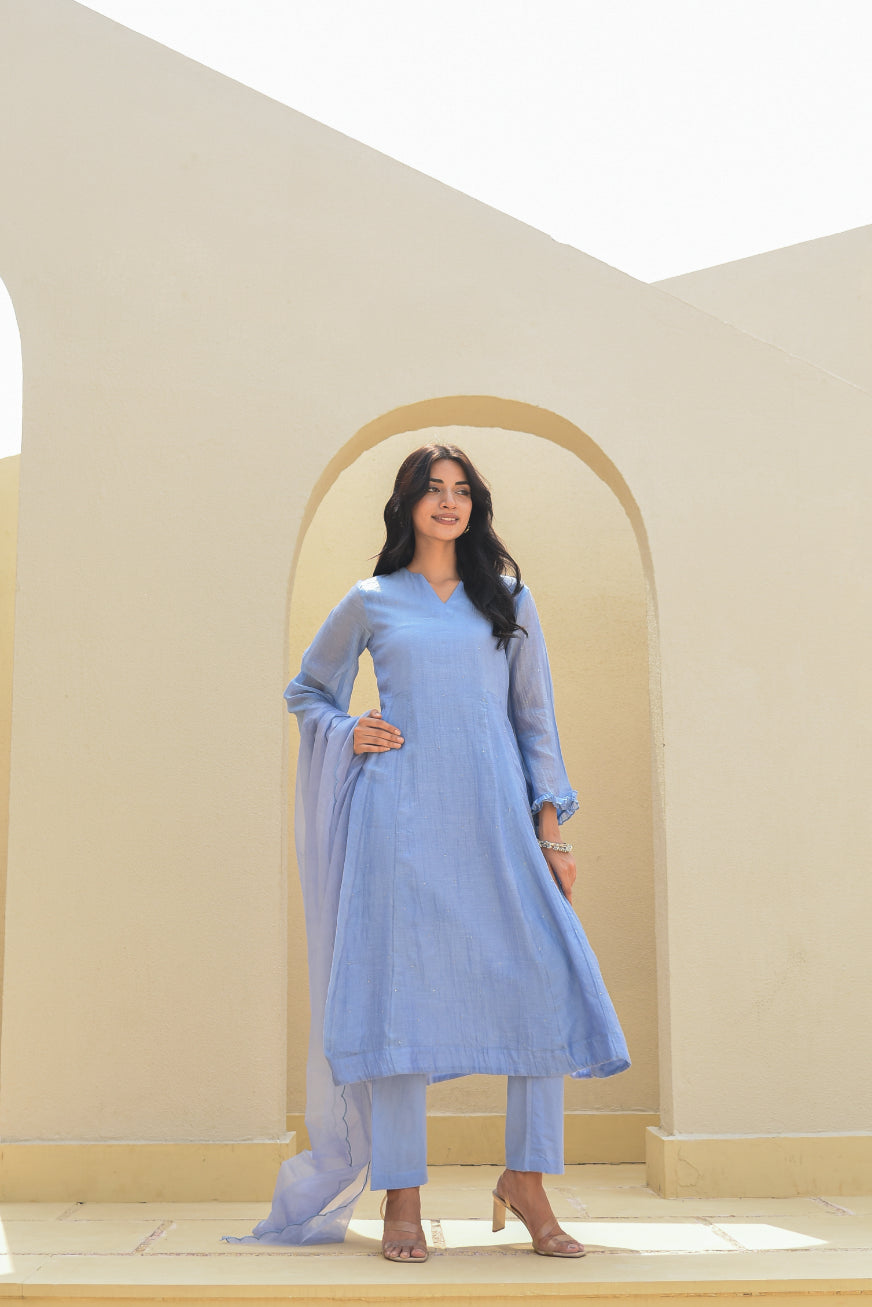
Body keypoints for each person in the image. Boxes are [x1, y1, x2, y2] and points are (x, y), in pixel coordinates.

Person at [223, 443, 629, 1262]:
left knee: (542, 985)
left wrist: (551, 826)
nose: (448, 503)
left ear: (475, 505)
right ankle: (401, 1190)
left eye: (461, 491)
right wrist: (350, 727)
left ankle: (527, 1180)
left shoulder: (507, 599)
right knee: (400, 998)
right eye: (432, 490)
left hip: (495, 819)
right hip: (399, 820)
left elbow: (533, 718)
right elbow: (308, 690)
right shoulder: (373, 599)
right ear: (407, 504)